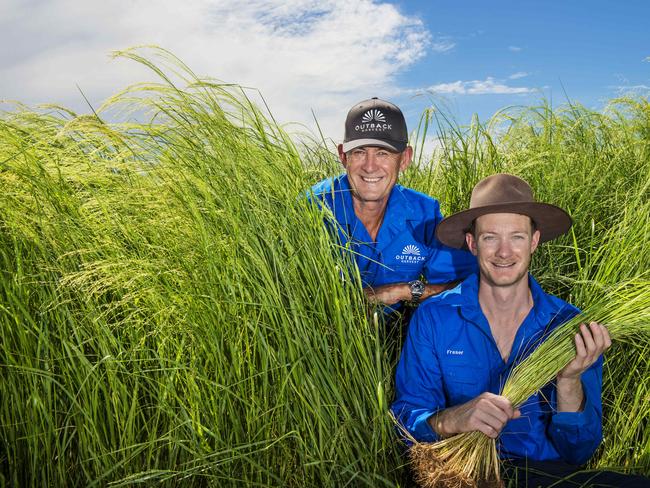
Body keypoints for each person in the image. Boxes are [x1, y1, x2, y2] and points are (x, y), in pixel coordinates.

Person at [391, 173, 647, 487]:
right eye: (490, 237)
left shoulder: (568, 324)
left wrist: (568, 381)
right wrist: (451, 419)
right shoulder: (435, 318)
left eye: (516, 236)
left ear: (534, 241)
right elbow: (406, 417)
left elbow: (579, 452)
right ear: (472, 244)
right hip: (463, 476)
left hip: (547, 476)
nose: (503, 251)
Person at [309, 97, 476, 312]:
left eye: (383, 153)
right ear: (343, 156)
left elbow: (465, 284)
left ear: (405, 158)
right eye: (360, 152)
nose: (370, 166)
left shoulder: (425, 213)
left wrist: (403, 291)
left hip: (399, 335)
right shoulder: (312, 208)